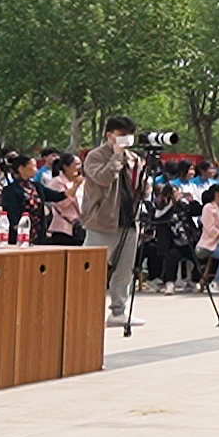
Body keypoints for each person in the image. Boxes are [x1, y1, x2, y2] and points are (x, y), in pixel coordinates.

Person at [81, 116, 146, 324]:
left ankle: (118, 312)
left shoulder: (134, 158)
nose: (126, 139)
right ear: (109, 135)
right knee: (91, 269)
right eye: (121, 135)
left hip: (129, 220)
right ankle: (84, 310)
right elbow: (103, 178)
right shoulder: (95, 156)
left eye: (129, 135)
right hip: (102, 221)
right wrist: (116, 156)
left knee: (125, 271)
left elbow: (141, 187)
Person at [44, 153, 86, 245]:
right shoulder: (56, 182)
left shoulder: (82, 182)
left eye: (80, 164)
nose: (79, 167)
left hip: (80, 226)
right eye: (76, 164)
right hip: (63, 228)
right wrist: (75, 187)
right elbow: (62, 203)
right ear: (66, 167)